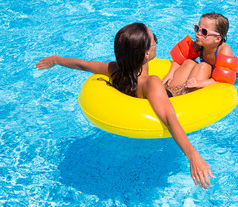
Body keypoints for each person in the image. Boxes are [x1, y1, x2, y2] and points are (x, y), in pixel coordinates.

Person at [35, 23, 214, 189]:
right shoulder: (150, 83)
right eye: (154, 41)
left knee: (189, 63)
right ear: (145, 54)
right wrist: (193, 156)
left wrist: (55, 59)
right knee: (200, 67)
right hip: (172, 96)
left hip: (149, 96)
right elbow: (169, 117)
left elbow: (83, 65)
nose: (156, 43)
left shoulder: (116, 69)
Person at [162, 12, 238, 113]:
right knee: (189, 62)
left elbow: (224, 80)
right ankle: (170, 94)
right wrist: (171, 73)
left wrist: (200, 82)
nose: (197, 34)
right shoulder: (199, 44)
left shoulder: (224, 51)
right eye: (197, 28)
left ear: (217, 38)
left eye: (204, 32)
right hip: (213, 69)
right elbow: (180, 58)